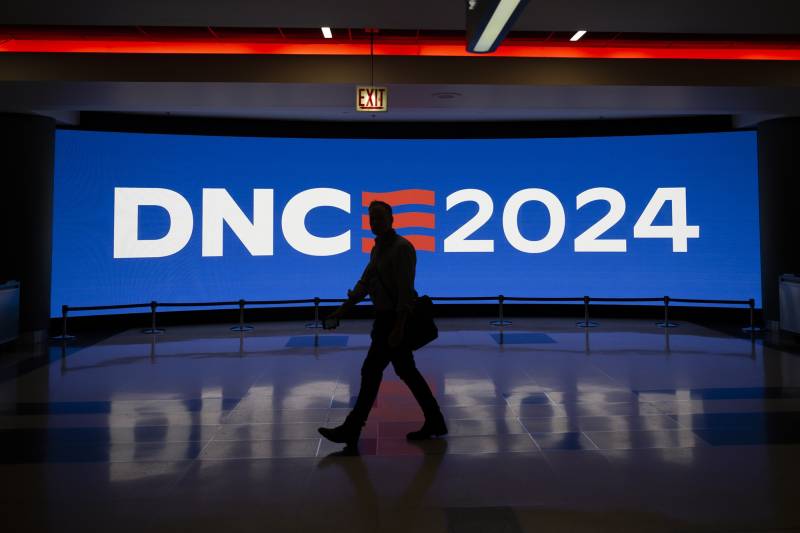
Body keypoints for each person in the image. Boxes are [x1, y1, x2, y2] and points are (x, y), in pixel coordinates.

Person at [318, 200, 447, 448]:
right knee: (405, 372)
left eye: (379, 217)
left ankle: (352, 428)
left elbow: (404, 292)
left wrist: (399, 328)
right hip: (385, 322)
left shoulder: (402, 249)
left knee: (372, 372)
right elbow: (364, 284)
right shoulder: (377, 249)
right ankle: (435, 420)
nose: (375, 222)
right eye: (371, 218)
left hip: (393, 322)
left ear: (391, 219)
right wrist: (340, 312)